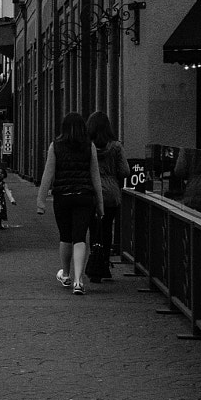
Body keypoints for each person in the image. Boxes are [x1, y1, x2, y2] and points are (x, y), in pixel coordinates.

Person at [35, 112, 105, 294]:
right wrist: (100, 204)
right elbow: (95, 176)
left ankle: (66, 274)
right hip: (85, 196)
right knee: (80, 237)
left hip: (63, 196)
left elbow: (48, 174)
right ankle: (79, 281)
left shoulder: (56, 146)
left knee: (65, 236)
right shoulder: (89, 146)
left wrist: (41, 202)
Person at [85, 111, 129, 284]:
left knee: (94, 229)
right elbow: (125, 170)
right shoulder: (116, 147)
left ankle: (94, 265)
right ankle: (104, 265)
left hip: (91, 193)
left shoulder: (87, 146)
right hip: (111, 194)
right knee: (107, 228)